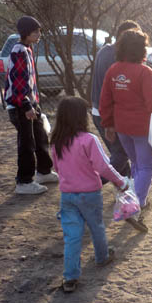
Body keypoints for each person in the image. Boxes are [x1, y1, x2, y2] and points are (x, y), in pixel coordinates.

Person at [50, 96, 129, 293]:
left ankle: (70, 277)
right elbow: (103, 167)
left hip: (67, 196)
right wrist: (121, 182)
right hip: (90, 194)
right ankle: (102, 257)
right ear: (81, 117)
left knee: (72, 236)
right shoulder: (89, 140)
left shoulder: (57, 142)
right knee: (97, 227)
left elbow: (57, 168)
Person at [99, 29, 152, 227]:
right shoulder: (145, 72)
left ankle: (138, 200)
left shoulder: (113, 70)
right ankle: (134, 205)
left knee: (137, 164)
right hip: (142, 128)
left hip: (122, 127)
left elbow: (105, 100)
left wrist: (108, 124)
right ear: (141, 50)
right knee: (147, 166)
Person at [4, 16, 58, 194]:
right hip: (21, 105)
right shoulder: (19, 51)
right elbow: (18, 82)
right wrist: (27, 106)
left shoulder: (27, 49)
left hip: (30, 103)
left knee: (40, 136)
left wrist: (33, 104)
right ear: (26, 33)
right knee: (27, 143)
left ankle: (43, 171)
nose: (39, 34)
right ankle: (24, 182)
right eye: (36, 31)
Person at [91, 20, 140, 180]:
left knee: (119, 153)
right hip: (108, 113)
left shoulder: (104, 50)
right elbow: (119, 90)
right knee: (121, 154)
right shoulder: (118, 57)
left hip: (98, 110)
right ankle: (91, 183)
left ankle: (127, 189)